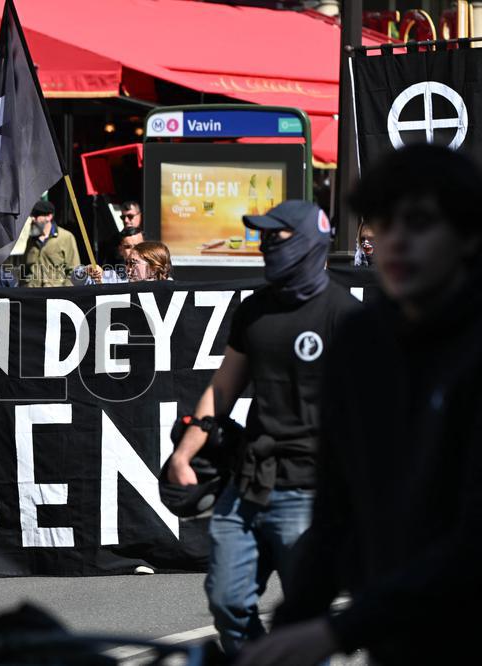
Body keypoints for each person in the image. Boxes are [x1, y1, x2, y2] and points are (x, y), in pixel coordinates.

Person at [236, 145, 482, 666]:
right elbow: (336, 512)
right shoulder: (362, 341)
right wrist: (290, 629)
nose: (396, 240)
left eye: (419, 223)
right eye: (384, 223)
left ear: (467, 234)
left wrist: (339, 630)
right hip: (397, 638)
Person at [165, 200, 359, 658]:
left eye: (278, 235)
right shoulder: (254, 310)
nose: (267, 244)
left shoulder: (344, 315)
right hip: (249, 484)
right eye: (263, 236)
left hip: (311, 493)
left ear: (312, 240)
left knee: (307, 620)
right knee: (228, 601)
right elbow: (224, 386)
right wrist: (183, 453)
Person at [23, 200, 81, 288]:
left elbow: (74, 271)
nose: (33, 219)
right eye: (32, 215)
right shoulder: (31, 240)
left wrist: (64, 293)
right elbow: (24, 270)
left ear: (49, 217)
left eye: (36, 215)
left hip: (54, 296)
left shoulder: (66, 237)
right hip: (32, 295)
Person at [76, 226, 144, 285]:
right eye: (128, 247)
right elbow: (76, 280)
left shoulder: (153, 271)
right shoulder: (111, 277)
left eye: (138, 246)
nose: (133, 250)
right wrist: (86, 270)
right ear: (120, 250)